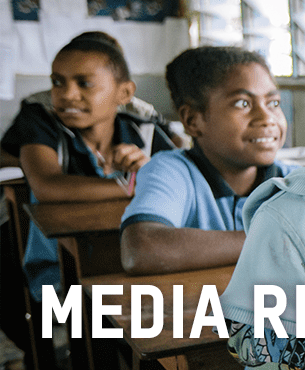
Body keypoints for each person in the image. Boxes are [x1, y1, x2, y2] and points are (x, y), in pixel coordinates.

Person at [0, 31, 175, 301]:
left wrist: (150, 173)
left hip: (134, 259)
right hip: (60, 269)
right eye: (57, 82)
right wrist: (129, 185)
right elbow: (47, 186)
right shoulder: (41, 117)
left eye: (85, 83)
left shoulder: (143, 125)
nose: (68, 94)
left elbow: (183, 178)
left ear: (125, 92)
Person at [119, 46, 297, 275]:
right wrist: (278, 241)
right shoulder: (172, 172)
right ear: (193, 120)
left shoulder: (296, 181)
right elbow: (142, 249)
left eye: (273, 103)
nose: (267, 118)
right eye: (243, 103)